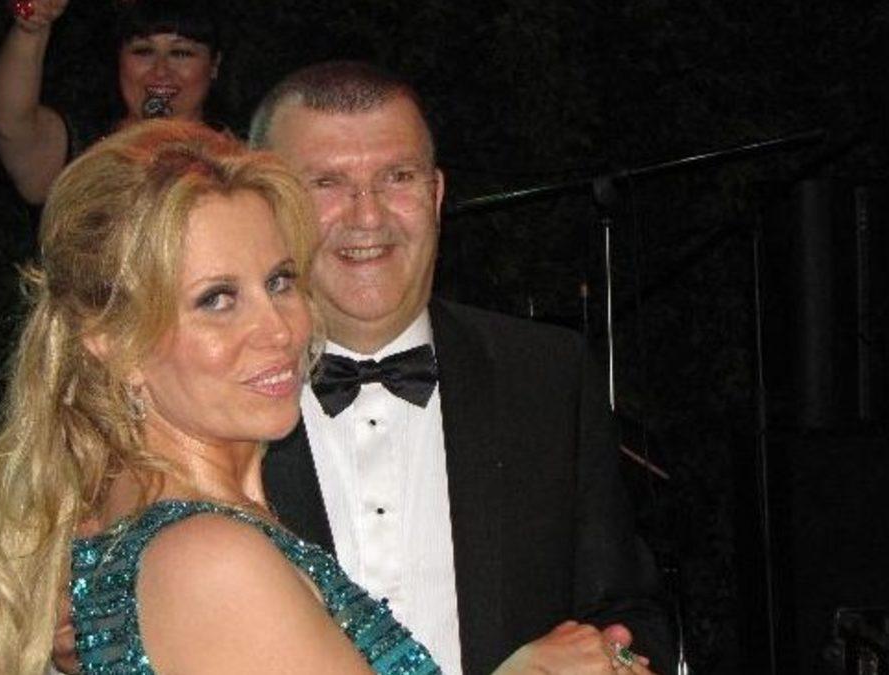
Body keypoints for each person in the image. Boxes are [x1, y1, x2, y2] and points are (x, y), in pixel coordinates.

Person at [0, 120, 442, 675]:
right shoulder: (211, 561)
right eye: (218, 299)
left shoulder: (152, 531)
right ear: (114, 340)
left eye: (279, 282)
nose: (279, 330)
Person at [247, 61, 674, 674]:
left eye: (397, 177)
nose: (367, 217)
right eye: (327, 184)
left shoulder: (546, 375)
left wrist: (617, 659)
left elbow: (626, 611)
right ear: (266, 206)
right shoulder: (217, 397)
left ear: (437, 194)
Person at [0, 0, 223, 204]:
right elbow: (11, 123)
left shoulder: (236, 158)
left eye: (181, 53)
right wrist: (30, 30)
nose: (161, 71)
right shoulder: (84, 149)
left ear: (214, 65)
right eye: (143, 51)